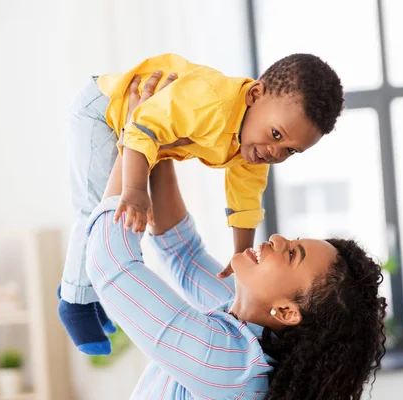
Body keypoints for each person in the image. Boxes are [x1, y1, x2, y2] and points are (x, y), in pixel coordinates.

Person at [83, 74, 386, 400]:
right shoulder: (245, 314)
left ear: (286, 312)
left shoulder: (233, 370)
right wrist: (155, 136)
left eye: (291, 254)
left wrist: (132, 137)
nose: (278, 238)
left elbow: (111, 266)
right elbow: (182, 252)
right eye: (293, 241)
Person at [58, 53, 345, 355]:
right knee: (97, 209)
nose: (276, 153)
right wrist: (134, 189)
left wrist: (239, 252)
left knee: (107, 209)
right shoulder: (211, 101)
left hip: (136, 131)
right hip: (104, 111)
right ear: (255, 95)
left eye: (291, 151)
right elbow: (142, 127)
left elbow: (246, 198)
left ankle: (82, 293)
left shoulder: (253, 145)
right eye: (276, 135)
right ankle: (74, 303)